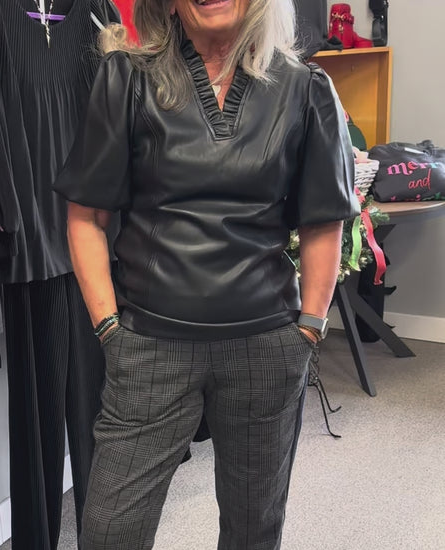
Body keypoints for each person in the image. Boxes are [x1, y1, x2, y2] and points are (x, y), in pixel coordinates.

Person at [54, 0, 359, 548]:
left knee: (253, 529)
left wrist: (309, 330)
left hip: (266, 348)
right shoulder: (127, 79)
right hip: (148, 345)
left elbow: (323, 222)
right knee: (108, 531)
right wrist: (109, 329)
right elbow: (86, 216)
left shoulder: (306, 89)